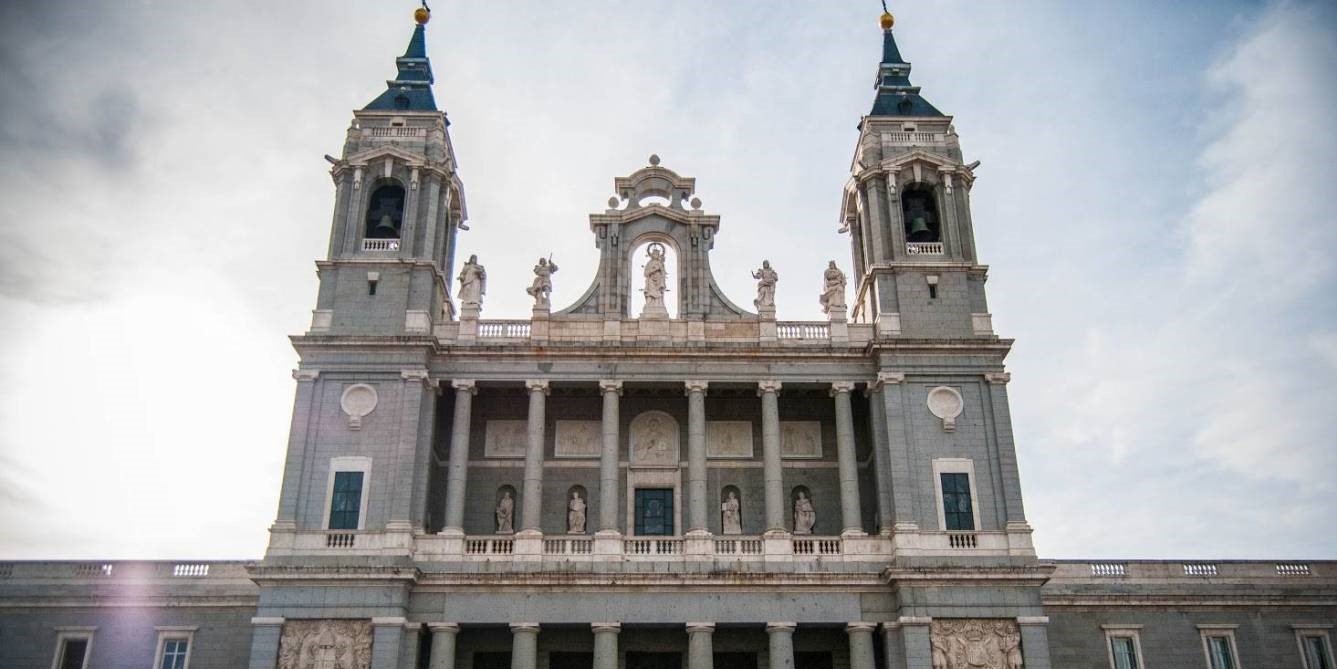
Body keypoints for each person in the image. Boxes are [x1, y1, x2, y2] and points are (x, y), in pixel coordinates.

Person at [642, 243, 667, 310]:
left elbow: (663, 272)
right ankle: (648, 307)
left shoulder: (660, 263)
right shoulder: (649, 263)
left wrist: (661, 268)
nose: (655, 255)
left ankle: (658, 306)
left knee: (658, 296)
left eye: (657, 254)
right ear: (652, 255)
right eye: (654, 254)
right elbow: (645, 273)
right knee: (650, 294)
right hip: (650, 280)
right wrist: (654, 270)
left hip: (659, 280)